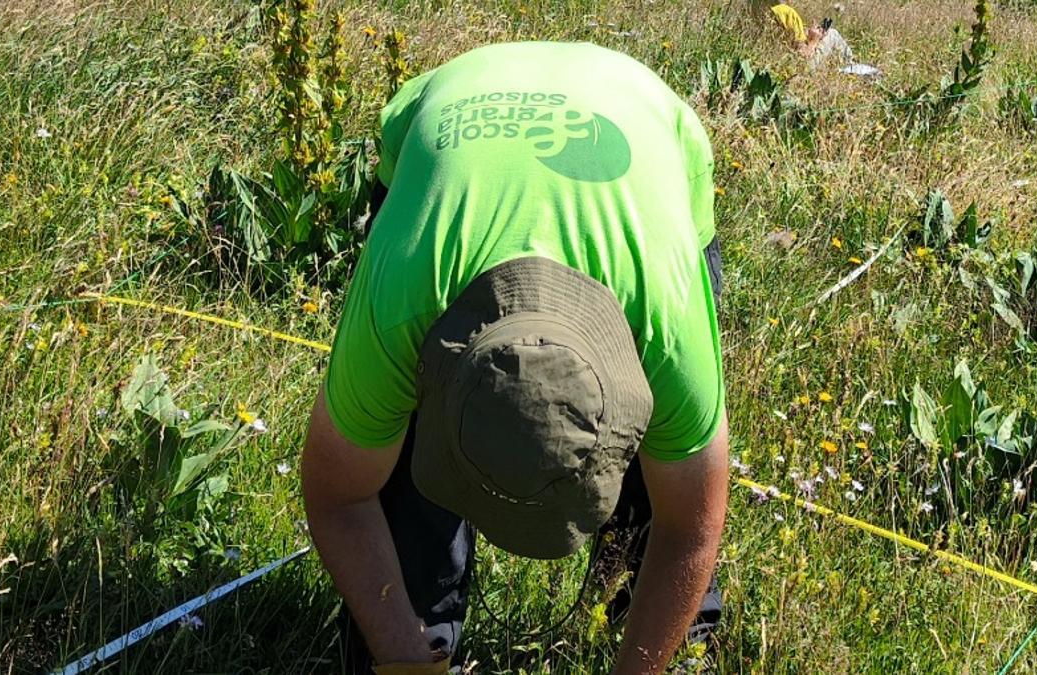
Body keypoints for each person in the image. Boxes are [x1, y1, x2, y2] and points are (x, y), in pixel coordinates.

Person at [299, 41, 729, 675]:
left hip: (642, 120)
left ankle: (667, 626)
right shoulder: (403, 302)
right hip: (448, 111)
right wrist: (401, 656)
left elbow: (691, 528)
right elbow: (339, 496)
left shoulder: (666, 326)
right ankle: (422, 616)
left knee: (657, 486)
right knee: (403, 469)